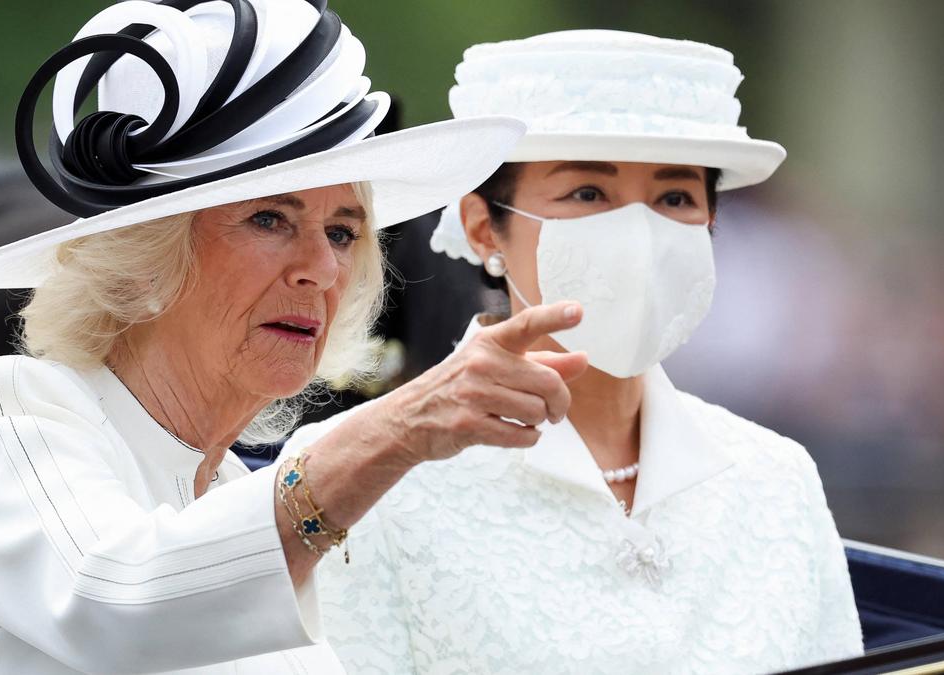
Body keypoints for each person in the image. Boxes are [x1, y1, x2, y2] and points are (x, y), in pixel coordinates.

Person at [0, 2, 576, 673]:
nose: (323, 269)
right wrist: (399, 425)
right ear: (147, 256)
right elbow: (118, 606)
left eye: (341, 232)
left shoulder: (234, 490)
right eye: (271, 219)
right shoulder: (11, 409)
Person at [282, 30, 865, 673]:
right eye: (588, 194)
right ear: (482, 225)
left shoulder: (776, 477)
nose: (640, 234)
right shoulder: (363, 470)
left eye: (675, 198)